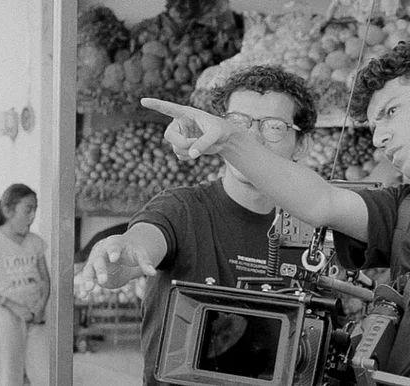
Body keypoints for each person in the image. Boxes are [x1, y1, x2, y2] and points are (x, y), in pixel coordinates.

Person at [142, 34, 410, 385]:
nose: (379, 137)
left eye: (391, 112)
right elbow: (319, 201)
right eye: (373, 124)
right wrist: (229, 140)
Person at [77, 65, 319, 386]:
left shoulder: (313, 227)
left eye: (273, 127)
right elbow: (143, 243)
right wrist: (124, 254)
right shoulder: (183, 209)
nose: (252, 138)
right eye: (238, 124)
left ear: (301, 143)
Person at [0, 184, 50, 386]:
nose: (33, 216)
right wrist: (12, 306)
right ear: (8, 210)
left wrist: (41, 305)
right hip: (7, 319)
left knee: (45, 376)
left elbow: (45, 280)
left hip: (35, 318)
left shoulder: (36, 242)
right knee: (11, 378)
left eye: (35, 209)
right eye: (28, 209)